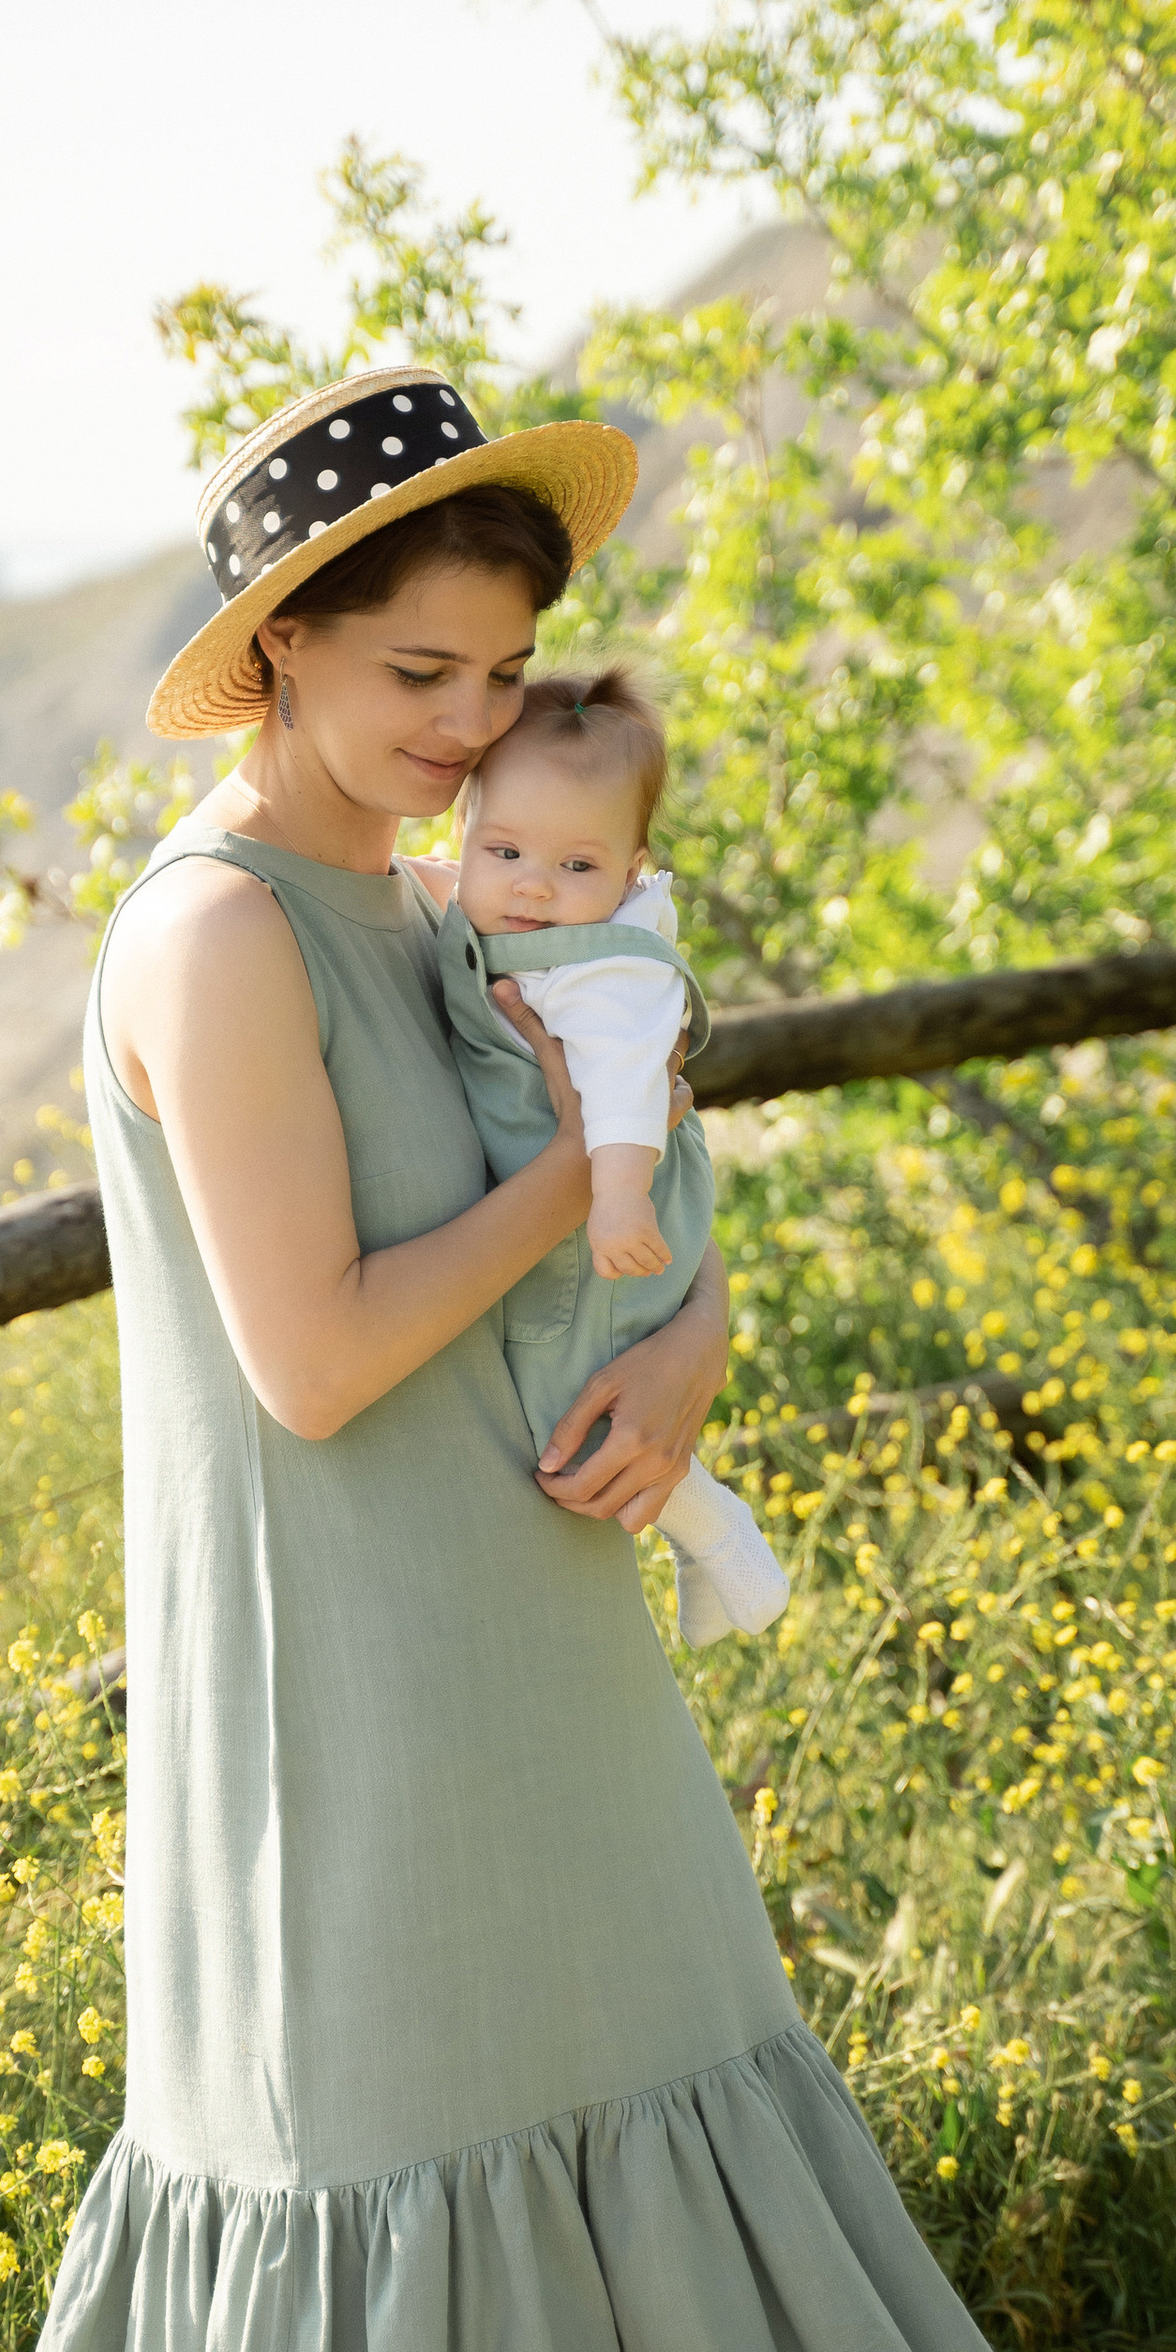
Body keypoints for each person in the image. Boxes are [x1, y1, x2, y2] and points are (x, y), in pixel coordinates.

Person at [0, 363, 1166, 2352]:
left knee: (696, 2142)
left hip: (537, 1638)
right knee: (309, 2187)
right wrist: (574, 1182)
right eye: (412, 672)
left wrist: (695, 1337)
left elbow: (651, 1214)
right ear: (279, 647)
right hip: (350, 1685)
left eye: (499, 676)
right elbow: (309, 1356)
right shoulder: (212, 933)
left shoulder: (448, 897)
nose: (464, 726)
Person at [419, 663, 790, 1648]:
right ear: (460, 840)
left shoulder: (602, 971)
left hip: (613, 1214)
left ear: (631, 871)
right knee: (588, 1392)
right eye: (504, 851)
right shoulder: (496, 904)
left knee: (572, 1412)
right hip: (582, 1205)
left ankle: (717, 1535)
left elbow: (629, 1084)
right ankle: (703, 1542)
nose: (535, 885)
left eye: (577, 868)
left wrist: (618, 1196)